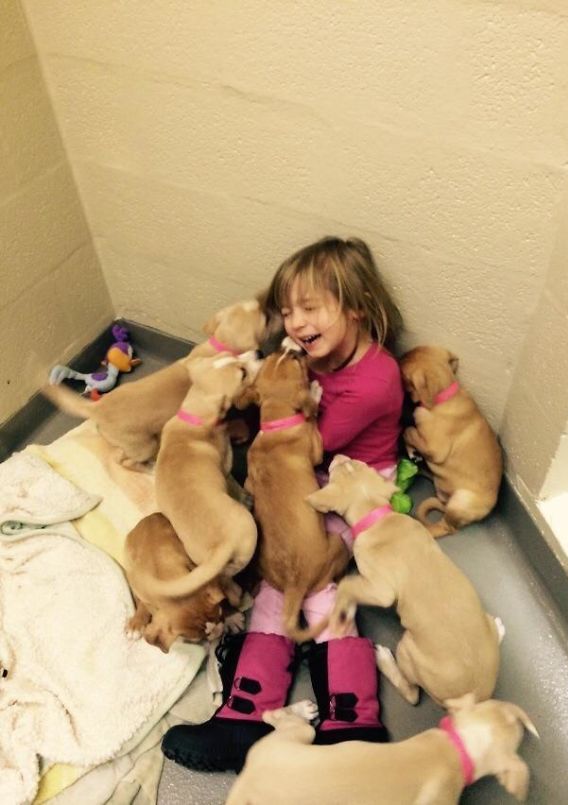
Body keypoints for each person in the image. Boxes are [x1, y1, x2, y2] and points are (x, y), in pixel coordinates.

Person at [161, 236, 404, 772]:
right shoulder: (311, 358)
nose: (294, 323)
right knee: (276, 582)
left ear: (357, 306)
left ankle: (353, 722)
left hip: (351, 479)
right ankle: (246, 714)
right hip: (305, 470)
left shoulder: (376, 380)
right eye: (288, 311)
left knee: (317, 582)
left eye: (311, 308)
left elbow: (311, 441)